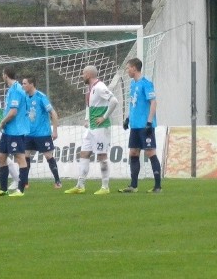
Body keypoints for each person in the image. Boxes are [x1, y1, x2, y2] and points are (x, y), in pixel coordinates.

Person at [65, 65, 118, 195]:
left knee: (102, 155)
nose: (82, 76)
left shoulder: (100, 87)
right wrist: (87, 119)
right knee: (84, 154)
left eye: (83, 73)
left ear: (88, 74)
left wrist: (104, 117)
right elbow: (90, 106)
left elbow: (114, 101)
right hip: (92, 128)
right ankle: (80, 185)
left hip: (101, 128)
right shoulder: (90, 88)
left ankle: (105, 187)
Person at [119, 57, 162, 193]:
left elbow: (153, 103)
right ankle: (133, 185)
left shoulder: (146, 83)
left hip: (145, 125)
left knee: (150, 152)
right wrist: (127, 119)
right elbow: (133, 104)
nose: (127, 71)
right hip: (135, 125)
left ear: (134, 68)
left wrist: (149, 122)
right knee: (133, 152)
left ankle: (157, 186)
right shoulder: (132, 84)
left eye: (128, 68)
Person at [0, 66, 30, 197]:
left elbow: (13, 112)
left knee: (20, 158)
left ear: (6, 75)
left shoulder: (17, 90)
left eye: (2, 74)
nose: (2, 76)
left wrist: (2, 122)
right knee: (1, 157)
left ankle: (20, 190)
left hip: (16, 131)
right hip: (8, 131)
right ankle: (3, 189)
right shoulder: (12, 89)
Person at [22, 75, 62, 189]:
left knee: (48, 155)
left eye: (25, 83)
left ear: (31, 84)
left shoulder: (40, 97)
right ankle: (25, 182)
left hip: (42, 133)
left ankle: (58, 181)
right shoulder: (24, 97)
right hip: (28, 133)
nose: (23, 86)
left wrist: (55, 131)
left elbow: (53, 113)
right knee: (25, 156)